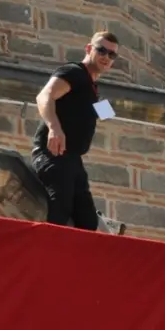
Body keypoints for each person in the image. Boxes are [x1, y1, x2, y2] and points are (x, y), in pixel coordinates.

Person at [31, 32, 119, 231]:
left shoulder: (92, 88)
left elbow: (103, 113)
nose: (106, 57)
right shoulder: (73, 72)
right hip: (53, 154)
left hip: (72, 160)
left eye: (112, 55)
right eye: (101, 50)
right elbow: (44, 96)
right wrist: (54, 128)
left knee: (87, 221)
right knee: (60, 208)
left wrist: (106, 109)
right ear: (89, 49)